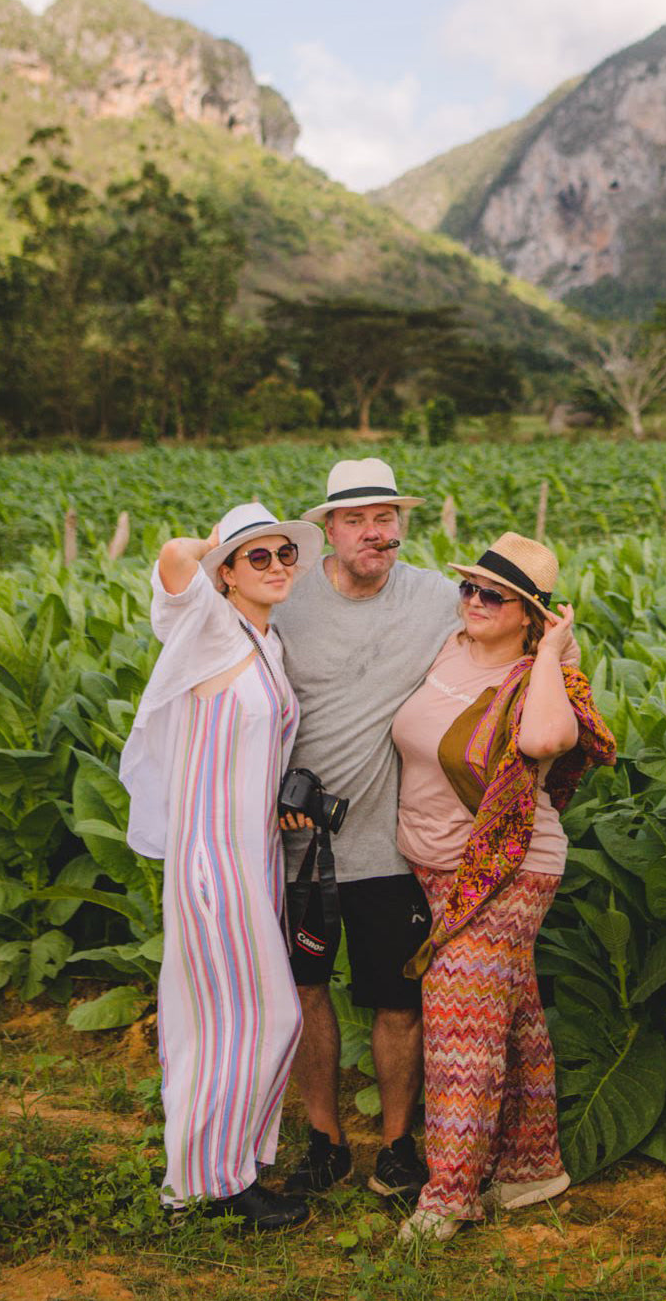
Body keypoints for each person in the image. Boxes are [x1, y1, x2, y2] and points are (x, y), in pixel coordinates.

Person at [390, 532, 616, 1243]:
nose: (476, 603)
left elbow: (548, 741)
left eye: (497, 596)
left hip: (508, 867)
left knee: (462, 1030)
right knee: (510, 1015)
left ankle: (448, 1196)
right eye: (470, 589)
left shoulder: (541, 671)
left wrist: (551, 653)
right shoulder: (448, 647)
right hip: (434, 865)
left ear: (530, 613)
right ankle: (531, 1166)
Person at [119, 501, 323, 1229]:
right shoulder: (207, 624)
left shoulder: (265, 640)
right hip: (213, 863)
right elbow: (174, 563)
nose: (275, 567)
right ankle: (217, 1185)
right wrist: (210, 544)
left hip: (253, 855)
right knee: (262, 1018)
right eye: (256, 557)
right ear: (228, 574)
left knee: (226, 1020)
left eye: (284, 555)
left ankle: (222, 1171)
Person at [272, 459, 462, 1200]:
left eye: (386, 517)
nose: (375, 533)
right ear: (327, 526)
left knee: (396, 1000)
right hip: (296, 848)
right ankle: (324, 1140)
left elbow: (512, 628)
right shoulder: (287, 598)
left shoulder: (437, 597)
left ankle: (397, 1146)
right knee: (305, 990)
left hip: (390, 839)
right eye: (357, 519)